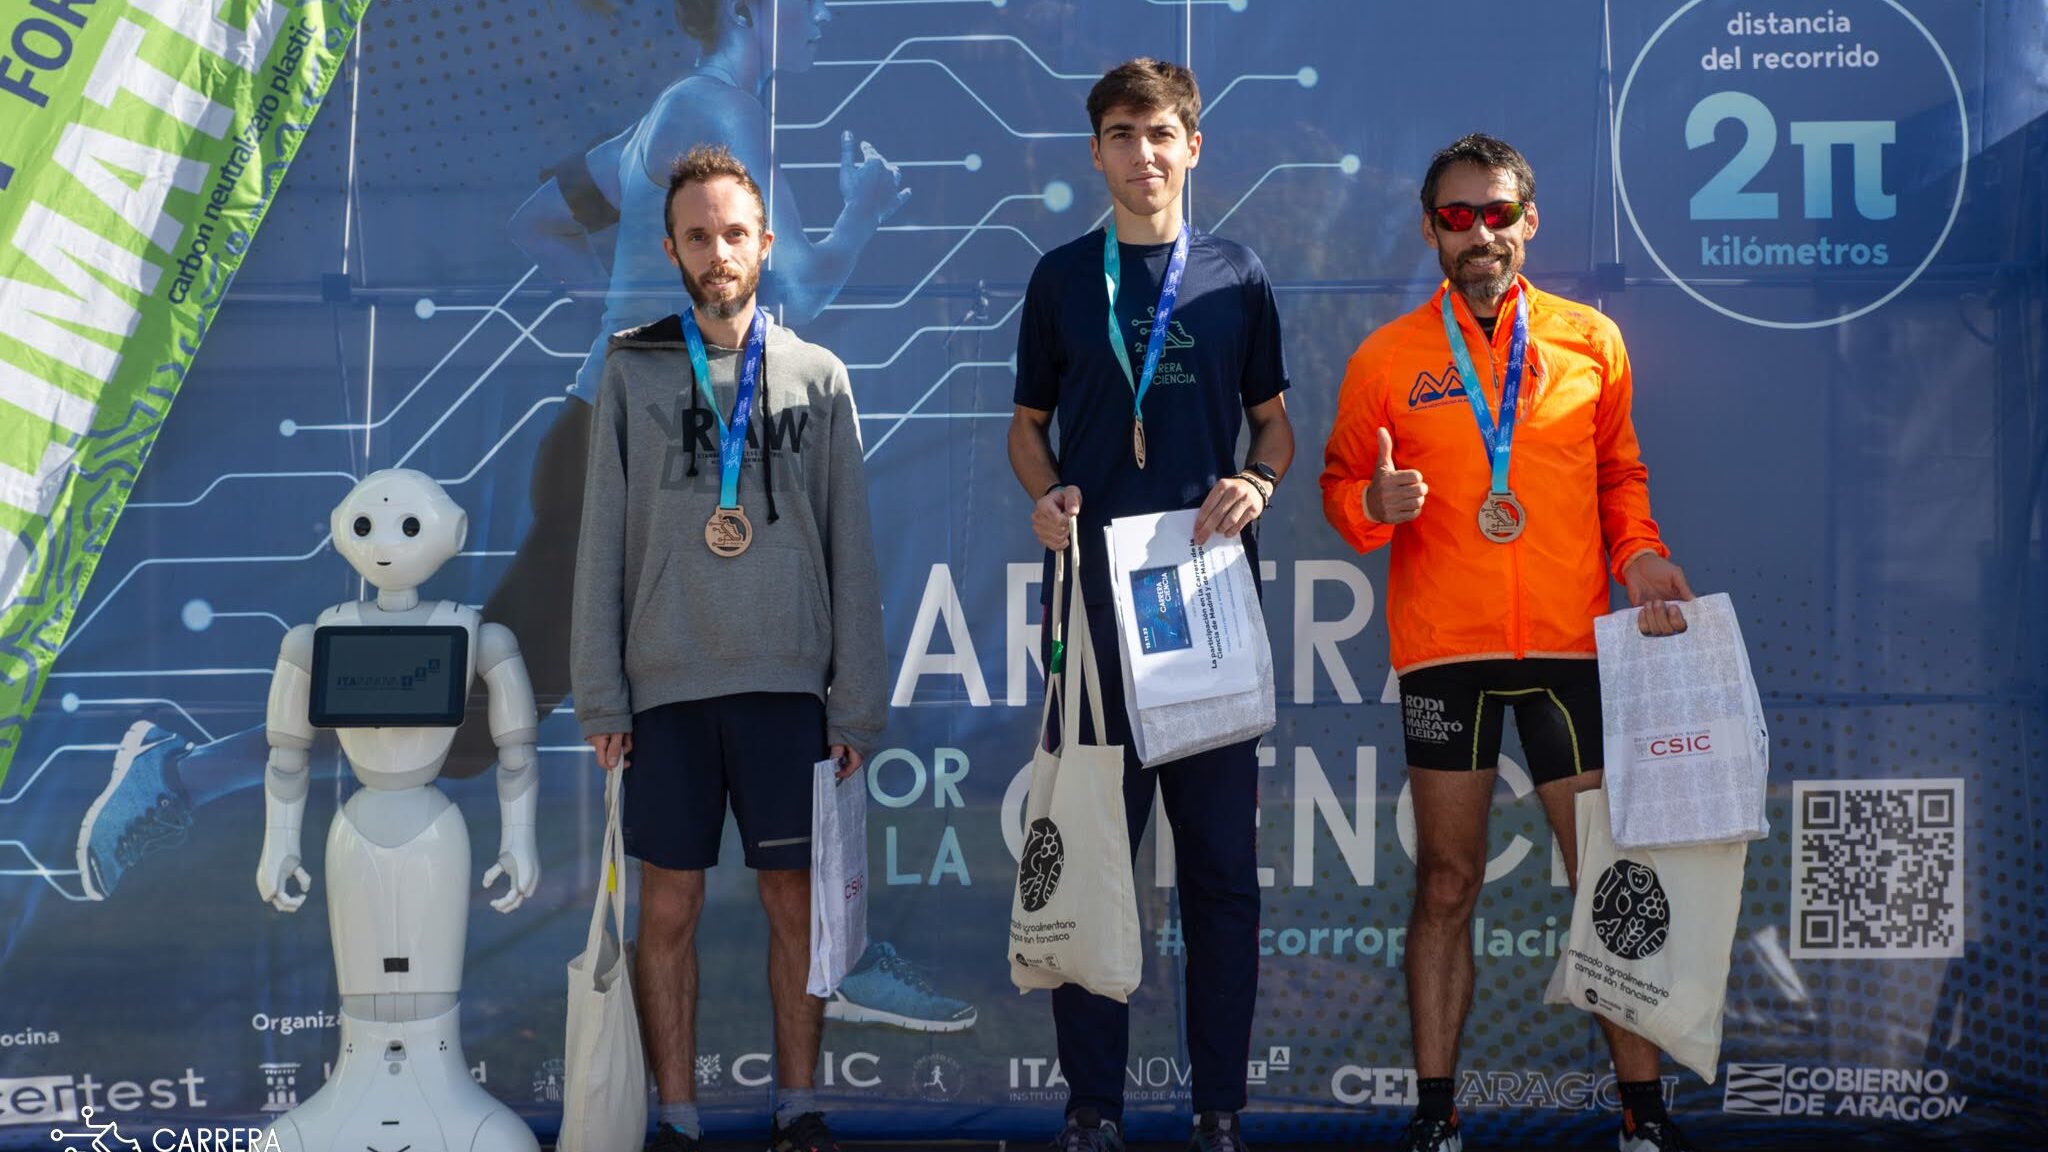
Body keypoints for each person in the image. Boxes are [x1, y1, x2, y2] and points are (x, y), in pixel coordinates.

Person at [1318, 133, 1698, 1152]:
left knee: (1606, 882)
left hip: (1572, 653)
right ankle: (1434, 1117)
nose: (1476, 234)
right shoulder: (1386, 358)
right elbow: (1336, 489)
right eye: (1455, 216)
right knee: (1446, 881)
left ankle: (1642, 1119)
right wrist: (1374, 504)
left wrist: (1642, 557)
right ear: (1430, 228)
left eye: (1495, 214)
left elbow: (1619, 476)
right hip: (1449, 655)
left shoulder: (1588, 340)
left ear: (1527, 223)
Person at [570, 144, 885, 1152]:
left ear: (765, 243)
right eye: (697, 235)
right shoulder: (631, 369)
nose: (717, 252)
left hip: (787, 686)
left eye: (733, 233)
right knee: (667, 908)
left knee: (796, 902)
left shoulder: (817, 376)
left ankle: (798, 1109)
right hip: (666, 687)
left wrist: (855, 705)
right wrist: (601, 698)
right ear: (669, 246)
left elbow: (852, 551)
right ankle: (677, 1117)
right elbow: (600, 544)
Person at [1007, 57, 1293, 1152]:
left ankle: (1217, 1108)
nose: (1141, 153)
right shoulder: (1062, 278)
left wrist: (1257, 482)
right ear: (1095, 152)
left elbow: (1272, 424)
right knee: (1088, 858)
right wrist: (1045, 498)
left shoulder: (1235, 274)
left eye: (1160, 133)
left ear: (1192, 146)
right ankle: (1094, 1110)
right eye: (1120, 134)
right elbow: (1024, 427)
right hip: (1088, 615)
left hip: (1203, 616)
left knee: (1218, 871)